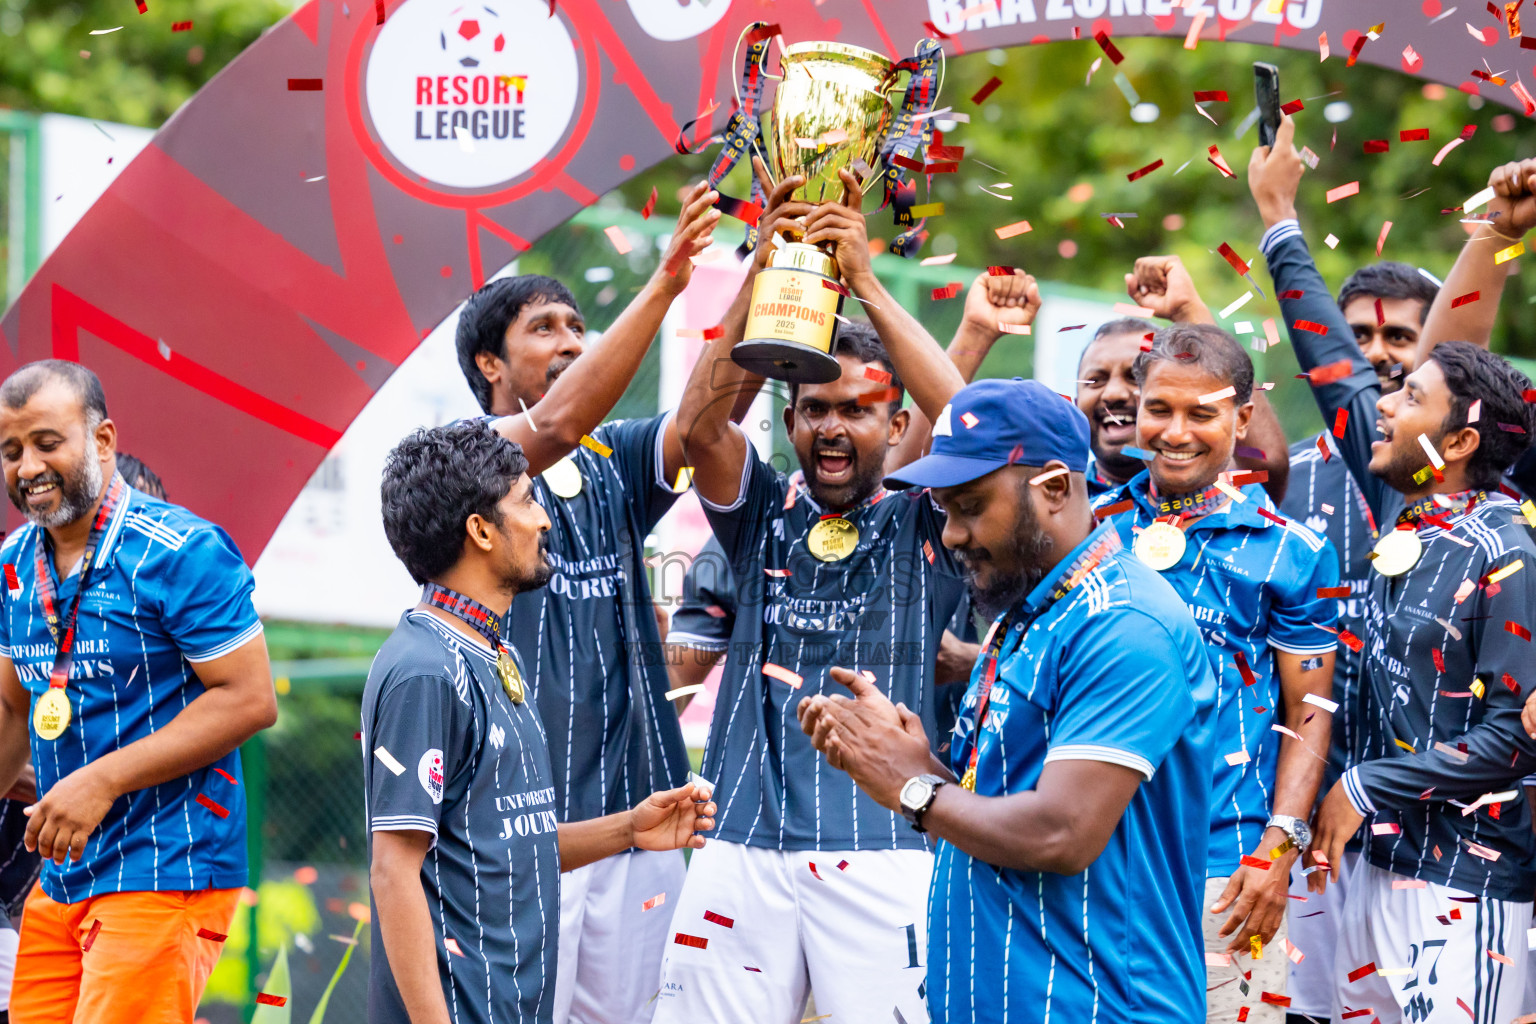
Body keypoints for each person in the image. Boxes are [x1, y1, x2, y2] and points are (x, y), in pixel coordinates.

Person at [655, 167, 980, 1023]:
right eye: (812, 409)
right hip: (741, 845)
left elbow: (976, 425)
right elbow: (699, 428)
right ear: (790, 418)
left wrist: (865, 281)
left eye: (856, 410)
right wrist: (768, 273)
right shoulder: (761, 509)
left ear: (893, 420)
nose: (831, 427)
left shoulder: (926, 518)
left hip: (885, 846)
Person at [797, 376, 1217, 1023]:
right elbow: (992, 807)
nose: (954, 535)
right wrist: (911, 762)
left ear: (1051, 489)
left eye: (969, 506)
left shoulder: (1126, 625)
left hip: (1096, 1006)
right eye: (943, 510)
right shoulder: (1027, 611)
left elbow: (1059, 833)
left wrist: (911, 787)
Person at [1251, 115, 1536, 1022]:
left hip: (1464, 883)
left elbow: (1519, 735)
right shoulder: (1397, 521)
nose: (1379, 401)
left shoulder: (1508, 547)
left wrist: (1366, 783)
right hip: (1364, 867)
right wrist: (1277, 218)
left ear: (1455, 440)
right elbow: (1332, 368)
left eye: (1407, 392)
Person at [454, 183, 721, 1024]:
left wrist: (773, 271)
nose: (571, 340)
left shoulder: (611, 457)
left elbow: (711, 413)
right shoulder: (470, 458)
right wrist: (669, 278)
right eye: (545, 328)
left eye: (577, 325)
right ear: (489, 365)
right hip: (532, 830)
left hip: (646, 819)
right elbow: (560, 423)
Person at [365, 419, 716, 1024]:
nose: (546, 519)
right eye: (528, 501)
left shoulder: (496, 653)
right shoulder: (425, 670)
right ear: (480, 530)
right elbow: (393, 870)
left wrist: (631, 828)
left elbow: (513, 843)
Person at [0, 360, 276, 1024]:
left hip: (166, 867)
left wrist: (102, 781)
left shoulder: (183, 550)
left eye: (46, 442)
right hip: (62, 877)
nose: (26, 466)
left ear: (102, 440)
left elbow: (248, 699)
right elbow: (13, 706)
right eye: (10, 451)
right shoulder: (11, 565)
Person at [1093, 323, 1339, 1023]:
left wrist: (1276, 851)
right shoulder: (1087, 525)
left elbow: (1310, 708)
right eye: (1160, 409)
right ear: (1136, 406)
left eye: (1203, 413)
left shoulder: (1294, 552)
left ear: (1242, 414)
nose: (1176, 432)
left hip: (1225, 870)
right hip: (1092, 850)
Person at [1272, 261, 1437, 1022]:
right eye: (1357, 334)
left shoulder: (1467, 497)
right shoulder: (1284, 476)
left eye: (1400, 335)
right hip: (1301, 808)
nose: (1377, 352)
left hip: (1430, 825)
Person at [1079, 254, 1290, 502]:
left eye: (1133, 377)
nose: (1113, 393)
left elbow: (1267, 468)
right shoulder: (1062, 499)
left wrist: (1188, 311)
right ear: (1073, 402)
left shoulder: (1222, 500)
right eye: (1096, 380)